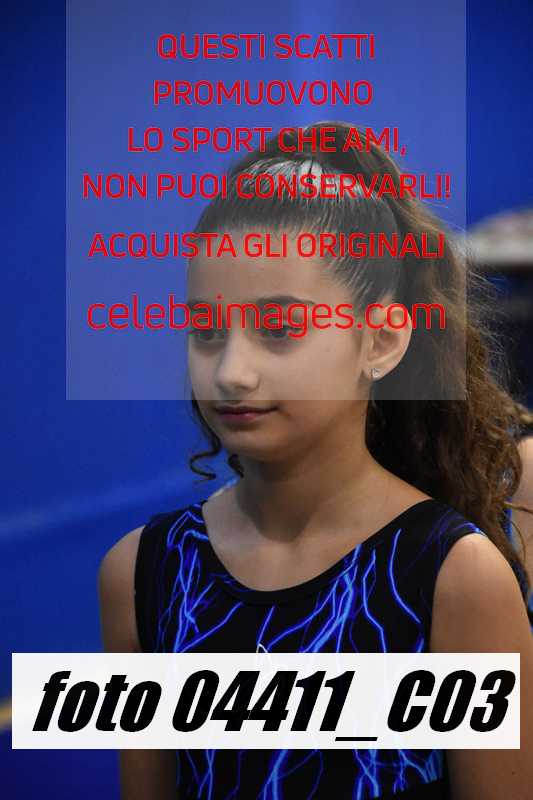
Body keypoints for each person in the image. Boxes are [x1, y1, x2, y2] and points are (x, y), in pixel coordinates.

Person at [97, 122, 533, 799]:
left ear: (381, 342)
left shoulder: (454, 577)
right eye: (207, 330)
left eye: (279, 328)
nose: (232, 372)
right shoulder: (143, 570)